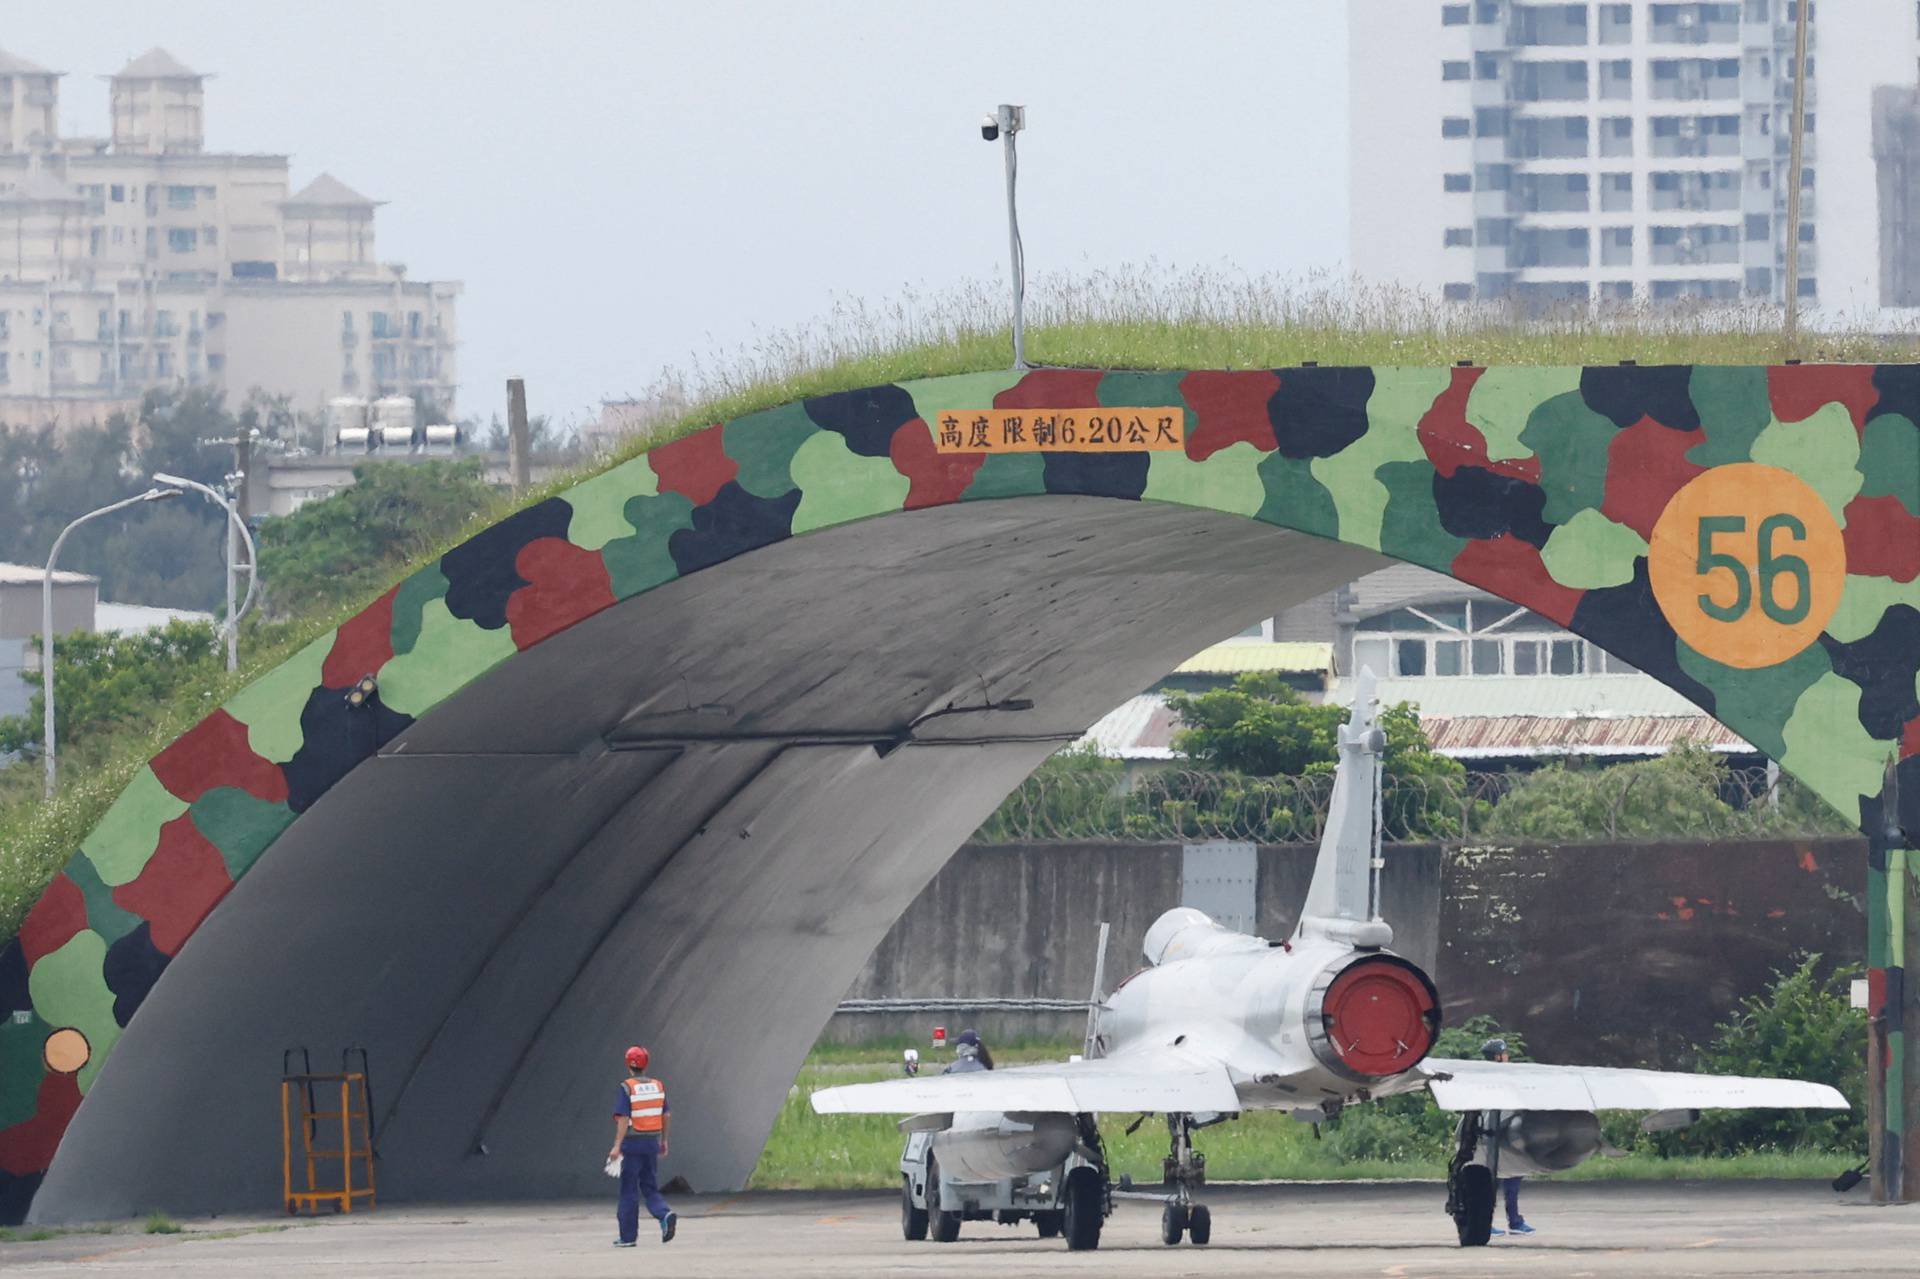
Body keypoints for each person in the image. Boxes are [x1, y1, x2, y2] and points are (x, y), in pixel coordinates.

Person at [608, 1045, 676, 1247]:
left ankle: (628, 1237)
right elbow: (666, 1115)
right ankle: (665, 1214)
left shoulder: (627, 1087)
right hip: (651, 1143)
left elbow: (623, 1118)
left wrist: (616, 1146)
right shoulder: (658, 1086)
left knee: (629, 1190)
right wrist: (663, 1140)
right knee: (650, 1187)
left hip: (631, 1144)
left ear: (628, 1064)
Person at [1481, 1038, 1535, 1237]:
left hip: (1507, 1133)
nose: (1507, 1057)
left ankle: (1515, 1221)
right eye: (1504, 1054)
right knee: (1492, 1182)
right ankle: (1488, 1222)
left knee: (1512, 1178)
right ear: (1497, 1057)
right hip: (1494, 1134)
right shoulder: (1489, 1080)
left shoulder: (1506, 1076)